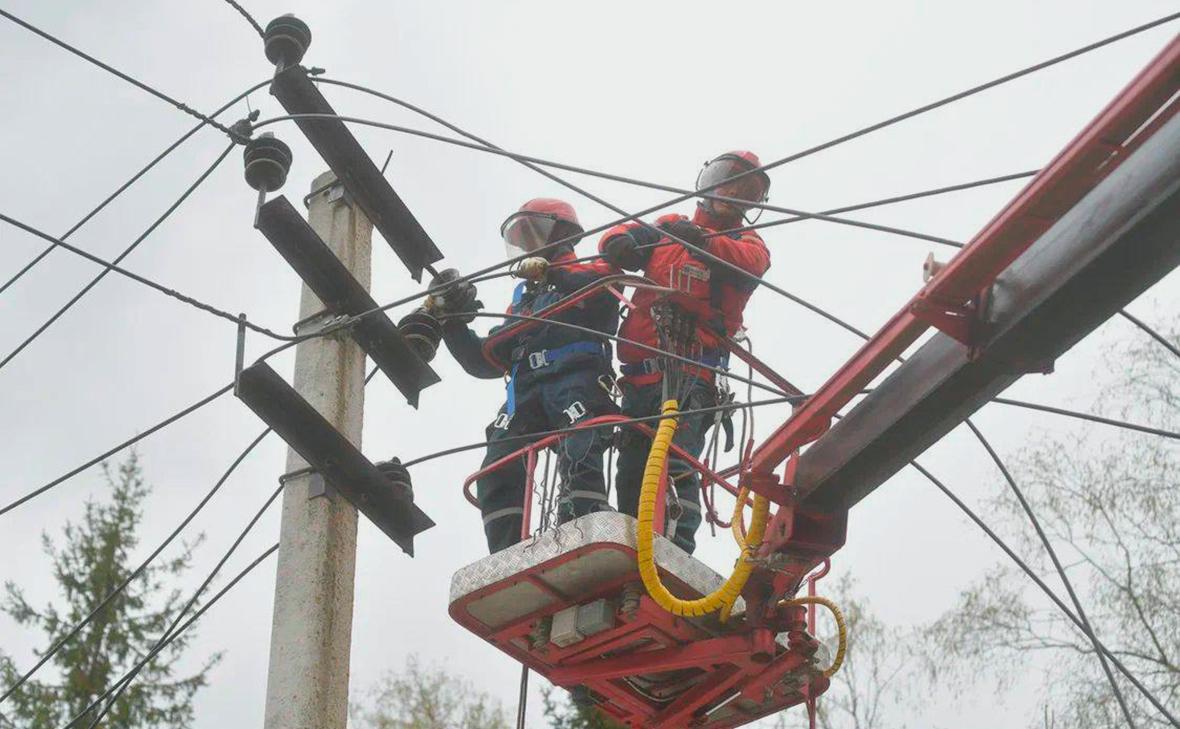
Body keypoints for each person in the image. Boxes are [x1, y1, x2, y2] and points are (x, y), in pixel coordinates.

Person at [598, 151, 771, 554]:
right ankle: (633, 550)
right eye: (728, 181)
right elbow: (624, 233)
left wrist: (702, 240)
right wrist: (617, 244)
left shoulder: (746, 243)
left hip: (693, 375)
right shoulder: (671, 227)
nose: (732, 193)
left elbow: (750, 263)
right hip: (641, 378)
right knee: (632, 470)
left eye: (744, 190)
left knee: (676, 463)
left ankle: (674, 551)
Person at [426, 198, 620, 553]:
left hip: (574, 379)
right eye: (522, 238)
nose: (528, 244)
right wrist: (451, 322)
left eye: (533, 232)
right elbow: (484, 359)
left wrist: (553, 274)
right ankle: (507, 551)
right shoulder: (523, 301)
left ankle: (583, 524)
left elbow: (603, 292)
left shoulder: (591, 272)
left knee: (581, 440)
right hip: (526, 392)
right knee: (498, 461)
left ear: (562, 234)